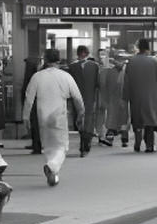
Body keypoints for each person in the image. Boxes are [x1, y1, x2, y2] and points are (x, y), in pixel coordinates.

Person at [23, 48, 84, 186]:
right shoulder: (66, 76)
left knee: (49, 147)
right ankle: (52, 167)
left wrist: (25, 117)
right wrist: (81, 113)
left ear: (45, 59)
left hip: (42, 117)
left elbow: (28, 100)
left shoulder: (37, 77)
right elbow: (78, 98)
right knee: (61, 147)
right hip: (59, 117)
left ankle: (53, 173)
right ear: (59, 60)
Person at [120, 37, 157, 153]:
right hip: (151, 96)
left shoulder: (131, 62)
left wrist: (125, 96)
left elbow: (126, 81)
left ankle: (137, 142)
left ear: (138, 48)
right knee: (150, 121)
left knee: (137, 120)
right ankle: (149, 145)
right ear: (148, 49)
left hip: (135, 96)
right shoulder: (154, 61)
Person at [65, 45, 101, 157]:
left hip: (76, 98)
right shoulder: (95, 66)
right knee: (89, 121)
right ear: (87, 53)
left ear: (78, 53)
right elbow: (98, 84)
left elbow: (69, 85)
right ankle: (86, 143)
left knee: (79, 120)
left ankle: (82, 143)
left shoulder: (71, 67)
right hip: (90, 98)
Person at [98, 51, 128, 146]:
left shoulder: (109, 71)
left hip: (114, 99)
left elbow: (103, 85)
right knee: (123, 119)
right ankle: (123, 138)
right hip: (121, 99)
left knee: (113, 118)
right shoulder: (125, 71)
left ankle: (111, 137)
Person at [21, 56, 42, 153]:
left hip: (34, 102)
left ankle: (36, 145)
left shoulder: (31, 76)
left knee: (35, 124)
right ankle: (37, 144)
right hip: (39, 101)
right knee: (37, 125)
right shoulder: (38, 75)